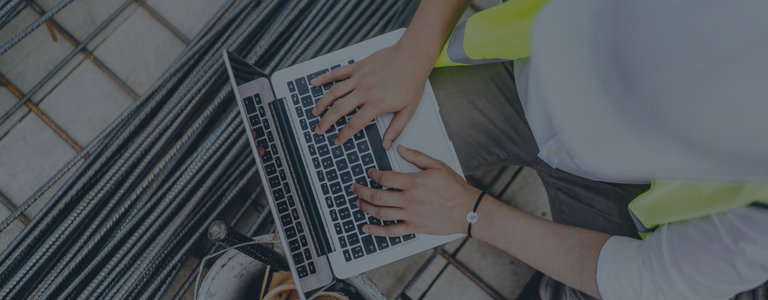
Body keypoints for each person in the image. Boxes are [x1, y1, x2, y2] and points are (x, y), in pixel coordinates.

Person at [262, 0, 768, 299]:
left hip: (630, 201)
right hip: (521, 78)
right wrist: (414, 51)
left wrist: (472, 213)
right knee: (345, 143)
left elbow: (648, 279)